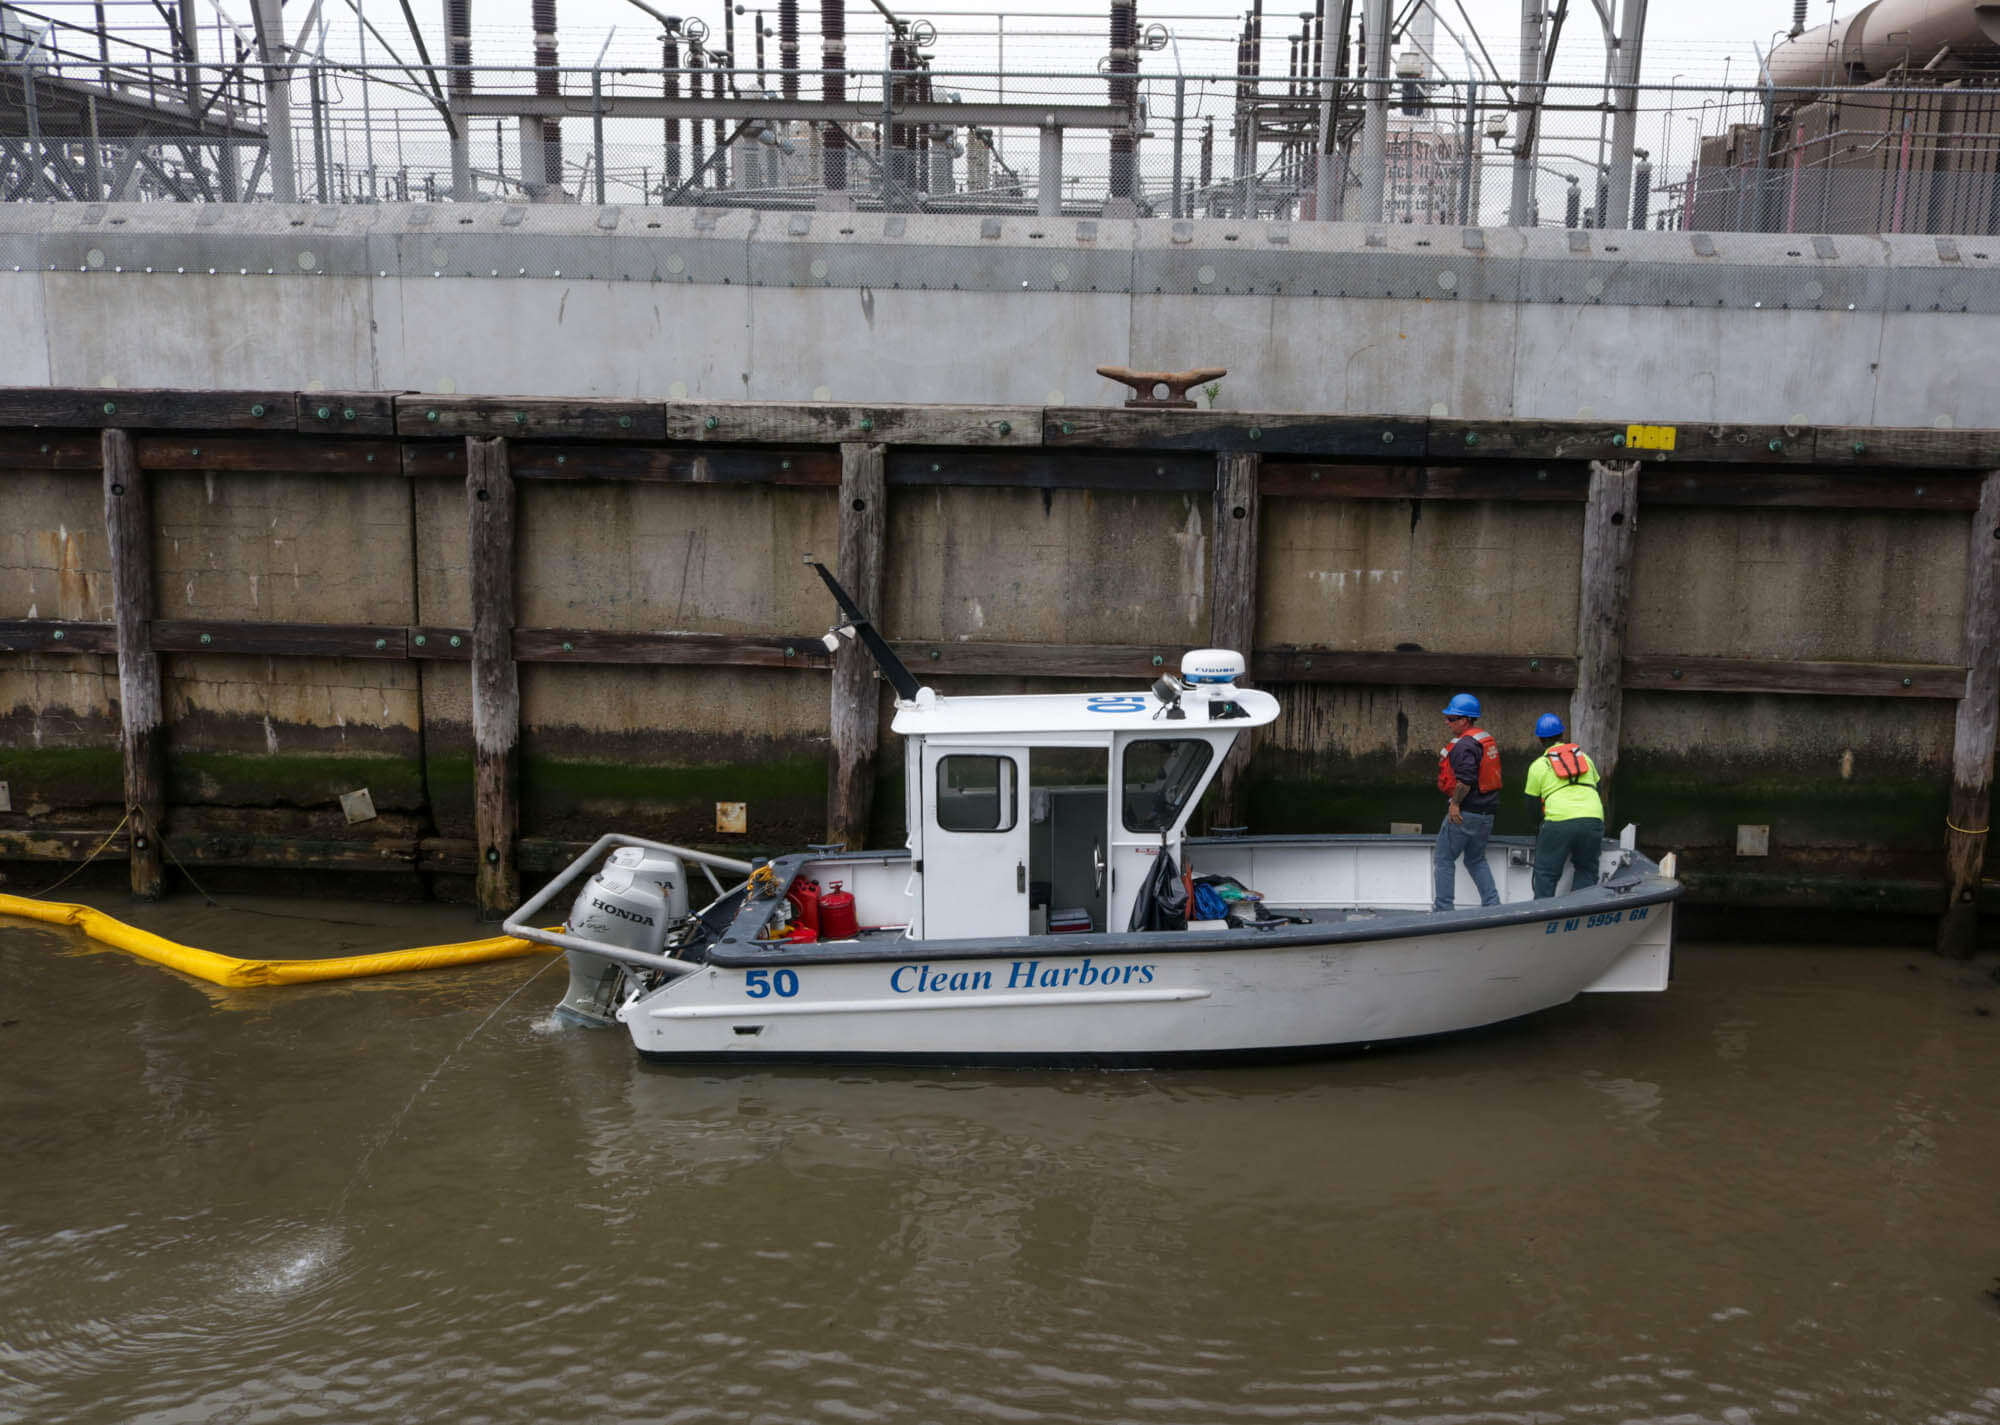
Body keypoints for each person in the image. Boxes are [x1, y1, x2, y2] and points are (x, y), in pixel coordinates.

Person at [1523, 712, 1605, 899]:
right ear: (1562, 735)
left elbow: (1531, 804)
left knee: (1546, 873)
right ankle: (1578, 912)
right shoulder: (1585, 758)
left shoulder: (1539, 765)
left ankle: (1542, 917)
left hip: (1558, 822)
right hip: (1593, 818)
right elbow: (1598, 790)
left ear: (1540, 739)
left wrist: (1540, 824)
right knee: (1586, 869)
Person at [1433, 693, 1502, 912]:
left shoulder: (1464, 746)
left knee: (1444, 860)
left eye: (1451, 718)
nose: (1447, 722)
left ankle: (1444, 911)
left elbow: (1466, 781)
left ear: (1465, 720)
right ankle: (1492, 906)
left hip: (1466, 813)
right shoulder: (1484, 739)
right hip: (1487, 814)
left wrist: (1454, 804)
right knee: (1475, 860)